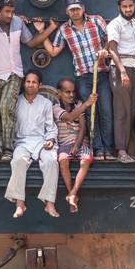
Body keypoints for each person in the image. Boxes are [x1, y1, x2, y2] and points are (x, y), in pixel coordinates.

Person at [0, 0, 58, 164]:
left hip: (14, 73)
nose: (10, 15)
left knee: (7, 108)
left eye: (12, 11)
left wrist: (50, 29)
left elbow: (30, 42)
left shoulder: (17, 23)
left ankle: (8, 148)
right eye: (6, 11)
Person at [37, 0, 114, 158]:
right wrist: (43, 31)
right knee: (90, 113)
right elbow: (53, 51)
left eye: (77, 9)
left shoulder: (96, 20)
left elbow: (110, 38)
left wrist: (104, 49)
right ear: (67, 12)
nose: (75, 12)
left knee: (106, 111)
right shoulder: (64, 29)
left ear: (83, 9)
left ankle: (109, 149)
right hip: (84, 77)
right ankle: (98, 149)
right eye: (72, 10)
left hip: (101, 74)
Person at [4, 70, 60, 218]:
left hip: (41, 142)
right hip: (21, 142)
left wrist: (51, 140)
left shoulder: (46, 103)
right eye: (28, 81)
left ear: (39, 85)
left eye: (34, 82)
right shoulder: (16, 101)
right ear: (24, 83)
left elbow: (51, 127)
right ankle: (20, 203)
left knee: (52, 161)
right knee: (18, 161)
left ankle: (49, 203)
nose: (30, 84)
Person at [106, 0, 135, 163]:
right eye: (124, 7)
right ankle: (121, 151)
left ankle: (129, 151)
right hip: (121, 70)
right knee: (121, 111)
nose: (128, 9)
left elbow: (134, 47)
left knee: (131, 111)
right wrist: (122, 71)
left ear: (134, 6)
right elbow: (112, 50)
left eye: (130, 6)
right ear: (119, 8)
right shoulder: (115, 25)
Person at [54, 78, 96, 213]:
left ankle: (73, 193)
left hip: (80, 141)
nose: (71, 95)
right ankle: (71, 194)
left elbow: (83, 128)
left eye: (73, 92)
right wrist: (87, 104)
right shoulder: (55, 107)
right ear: (59, 93)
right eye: (67, 92)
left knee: (85, 161)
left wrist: (77, 145)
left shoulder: (78, 104)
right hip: (65, 143)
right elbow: (68, 117)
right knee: (63, 160)